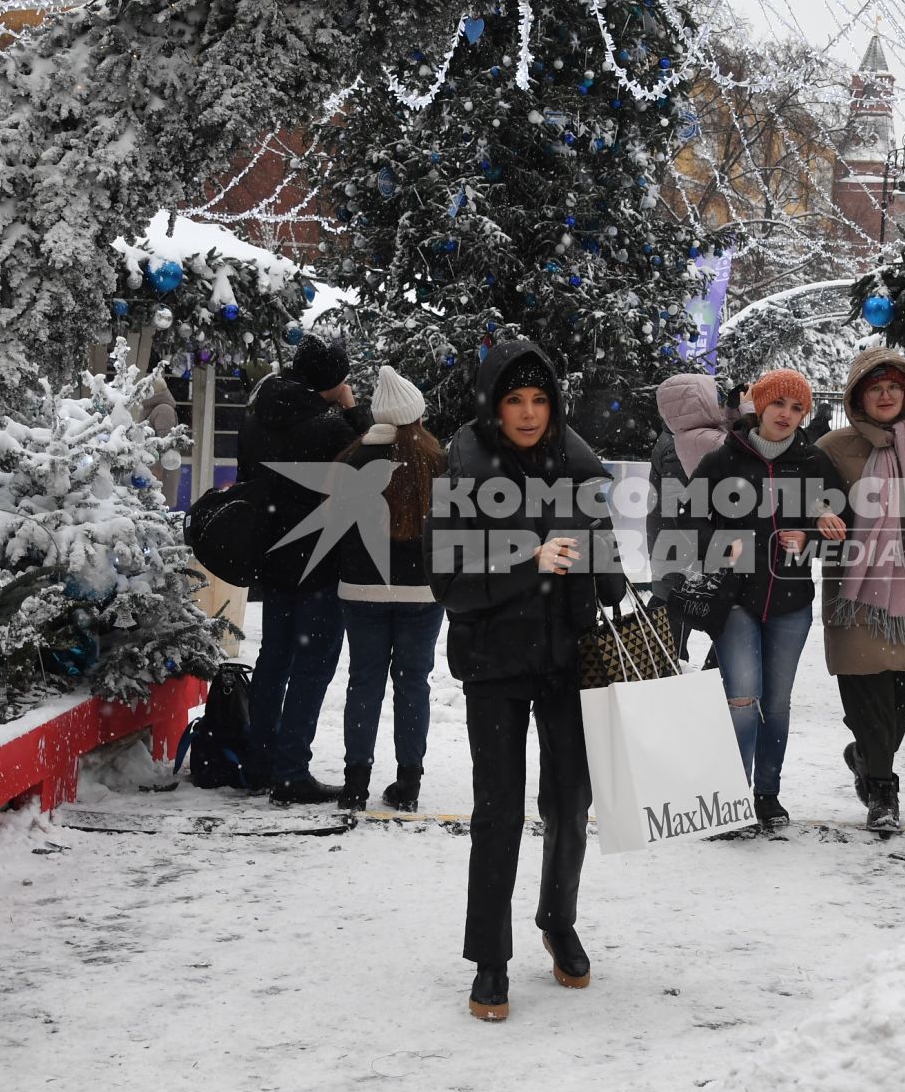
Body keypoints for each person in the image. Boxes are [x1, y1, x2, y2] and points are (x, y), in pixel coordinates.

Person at [425, 341, 625, 1022]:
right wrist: (528, 557)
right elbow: (446, 581)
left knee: (570, 805)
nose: (529, 412)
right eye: (515, 399)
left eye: (540, 399)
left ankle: (557, 919)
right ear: (492, 403)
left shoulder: (580, 465)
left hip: (571, 658)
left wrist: (607, 569)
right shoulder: (462, 469)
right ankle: (490, 956)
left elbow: (607, 563)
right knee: (499, 812)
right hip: (495, 662)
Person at [684, 368, 847, 828]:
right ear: (759, 404)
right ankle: (732, 796)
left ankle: (766, 793)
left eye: (798, 408)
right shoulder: (724, 459)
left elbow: (843, 522)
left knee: (776, 703)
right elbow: (689, 517)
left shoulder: (813, 462)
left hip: (791, 603)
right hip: (734, 601)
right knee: (741, 698)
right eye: (779, 404)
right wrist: (722, 544)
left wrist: (814, 535)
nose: (787, 415)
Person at [817, 349, 905, 832]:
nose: (887, 394)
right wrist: (818, 513)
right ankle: (883, 793)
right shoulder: (834, 445)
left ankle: (865, 755)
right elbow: (807, 491)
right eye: (875, 388)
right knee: (867, 696)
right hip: (857, 587)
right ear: (859, 397)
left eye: (893, 386)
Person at [236, 336, 370, 804]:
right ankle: (291, 771)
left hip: (271, 559)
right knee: (313, 666)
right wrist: (353, 411)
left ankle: (260, 763)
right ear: (331, 380)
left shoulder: (255, 418)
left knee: (273, 659)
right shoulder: (330, 429)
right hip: (319, 563)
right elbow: (373, 468)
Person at [333, 366, 445, 813]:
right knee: (413, 684)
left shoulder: (351, 460)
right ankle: (408, 783)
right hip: (422, 593)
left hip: (361, 591)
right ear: (416, 414)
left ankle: (354, 783)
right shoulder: (437, 461)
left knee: (363, 683)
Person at [646, 372, 734, 657]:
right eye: (714, 399)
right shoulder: (693, 443)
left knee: (669, 608)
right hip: (687, 549)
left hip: (668, 543)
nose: (718, 405)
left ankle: (664, 658)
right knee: (688, 614)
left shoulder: (669, 437)